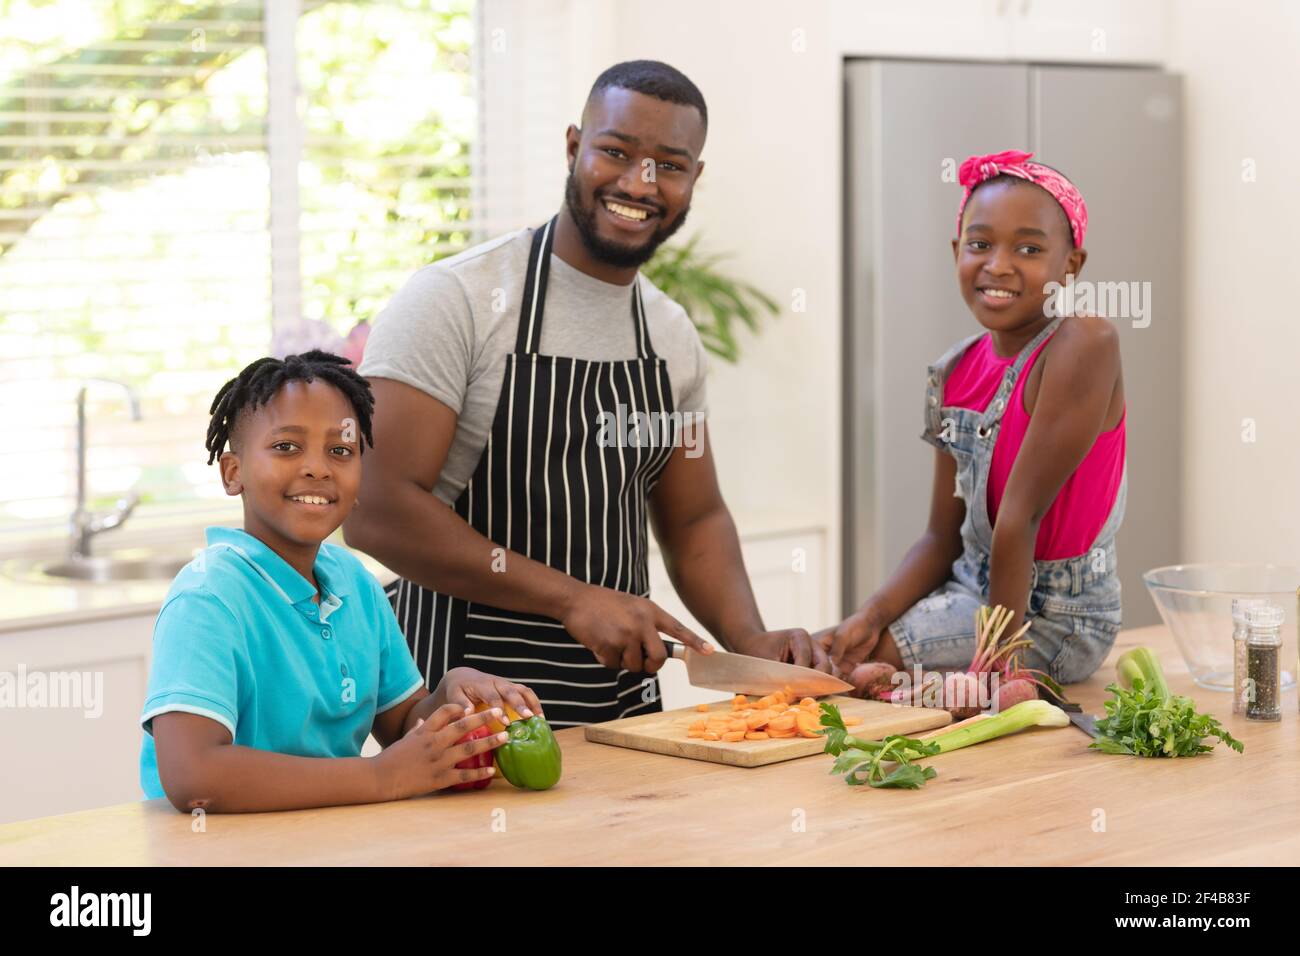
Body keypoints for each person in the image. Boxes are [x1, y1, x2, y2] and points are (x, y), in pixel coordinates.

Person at [346, 60, 818, 728]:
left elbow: (694, 519)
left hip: (622, 716)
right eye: (616, 153)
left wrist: (751, 641)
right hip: (466, 709)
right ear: (574, 147)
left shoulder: (671, 336)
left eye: (670, 165)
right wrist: (573, 600)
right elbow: (375, 507)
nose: (639, 183)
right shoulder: (458, 301)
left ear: (693, 180)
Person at [138, 350, 544, 812]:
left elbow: (401, 726)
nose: (318, 467)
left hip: (331, 840)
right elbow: (194, 777)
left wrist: (451, 692)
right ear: (234, 473)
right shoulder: (209, 596)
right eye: (287, 446)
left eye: (341, 450)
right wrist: (380, 776)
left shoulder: (355, 583)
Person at [823, 150, 1126, 690]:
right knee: (847, 649)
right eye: (980, 244)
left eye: (1029, 248)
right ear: (956, 251)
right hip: (969, 589)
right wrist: (870, 616)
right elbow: (942, 538)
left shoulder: (1084, 341)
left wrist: (992, 672)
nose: (999, 265)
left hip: (1055, 619)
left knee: (844, 673)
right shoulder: (953, 371)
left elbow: (1018, 519)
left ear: (1071, 265)